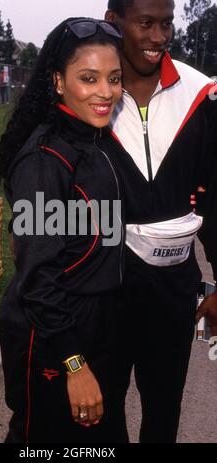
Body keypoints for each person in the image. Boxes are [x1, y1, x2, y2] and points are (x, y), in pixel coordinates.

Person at [0, 18, 127, 443]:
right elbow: (37, 277)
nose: (105, 92)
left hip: (97, 325)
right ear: (58, 81)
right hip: (53, 335)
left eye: (114, 78)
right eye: (88, 78)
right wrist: (74, 364)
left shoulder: (96, 140)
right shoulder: (44, 160)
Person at [103, 0, 217, 443]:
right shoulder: (90, 91)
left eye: (166, 23)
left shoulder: (199, 94)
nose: (158, 37)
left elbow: (216, 196)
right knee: (102, 413)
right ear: (114, 22)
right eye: (145, 23)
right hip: (103, 290)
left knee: (164, 410)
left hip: (172, 291)